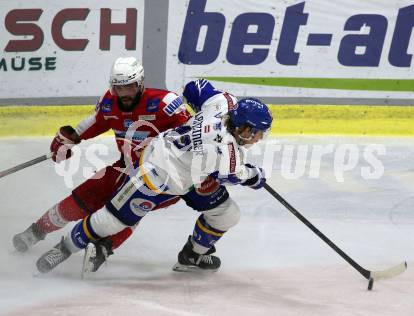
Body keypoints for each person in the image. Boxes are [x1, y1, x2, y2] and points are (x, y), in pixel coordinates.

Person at [36, 79, 272, 274]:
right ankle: (63, 248)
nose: (259, 138)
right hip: (156, 172)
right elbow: (238, 175)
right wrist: (256, 175)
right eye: (258, 133)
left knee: (226, 214)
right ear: (244, 128)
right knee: (111, 220)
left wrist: (199, 121)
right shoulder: (227, 153)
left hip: (187, 173)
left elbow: (195, 87)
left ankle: (192, 256)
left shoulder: (223, 104)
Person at [12, 57, 189, 259]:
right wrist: (70, 138)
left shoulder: (164, 104)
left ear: (140, 83)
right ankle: (37, 231)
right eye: (118, 88)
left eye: (129, 87)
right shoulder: (109, 103)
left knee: (129, 210)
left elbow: (191, 133)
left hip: (158, 176)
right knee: (84, 196)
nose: (123, 94)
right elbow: (95, 122)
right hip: (123, 167)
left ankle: (102, 248)